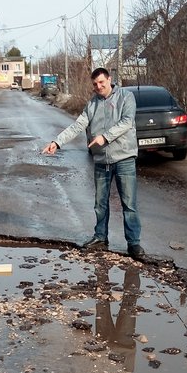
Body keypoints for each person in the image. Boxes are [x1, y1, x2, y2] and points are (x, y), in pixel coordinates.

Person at [41, 67, 146, 260]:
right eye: (95, 84)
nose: (99, 87)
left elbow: (127, 122)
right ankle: (100, 238)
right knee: (100, 203)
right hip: (101, 160)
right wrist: (57, 142)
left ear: (109, 80)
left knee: (129, 204)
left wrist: (104, 138)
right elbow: (78, 125)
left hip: (124, 158)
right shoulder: (92, 104)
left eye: (102, 83)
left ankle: (133, 243)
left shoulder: (126, 97)